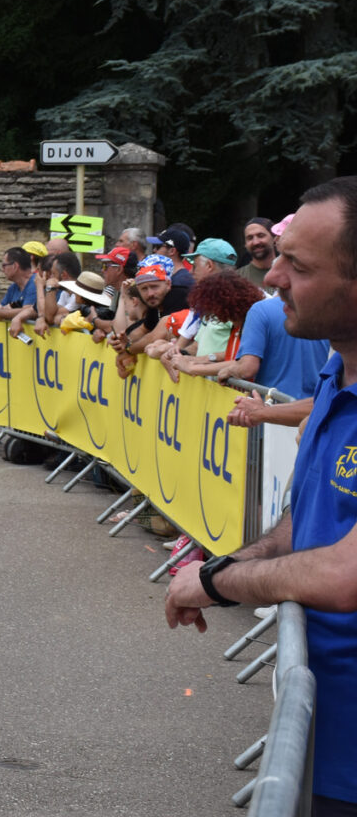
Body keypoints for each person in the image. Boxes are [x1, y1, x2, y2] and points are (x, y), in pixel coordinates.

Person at [163, 177, 357, 815]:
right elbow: (304, 520)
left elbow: (344, 572)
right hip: (324, 739)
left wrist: (215, 584)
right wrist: (220, 568)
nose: (272, 278)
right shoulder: (337, 368)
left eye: (298, 265)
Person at [0, 247, 39, 336]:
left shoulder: (35, 282)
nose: (2, 269)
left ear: (15, 266)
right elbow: (0, 311)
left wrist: (2, 312)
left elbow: (30, 311)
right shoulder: (13, 287)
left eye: (4, 265)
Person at [238, 216, 276, 289]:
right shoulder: (238, 279)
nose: (255, 242)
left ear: (274, 238)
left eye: (261, 236)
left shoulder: (289, 272)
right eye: (250, 238)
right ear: (245, 244)